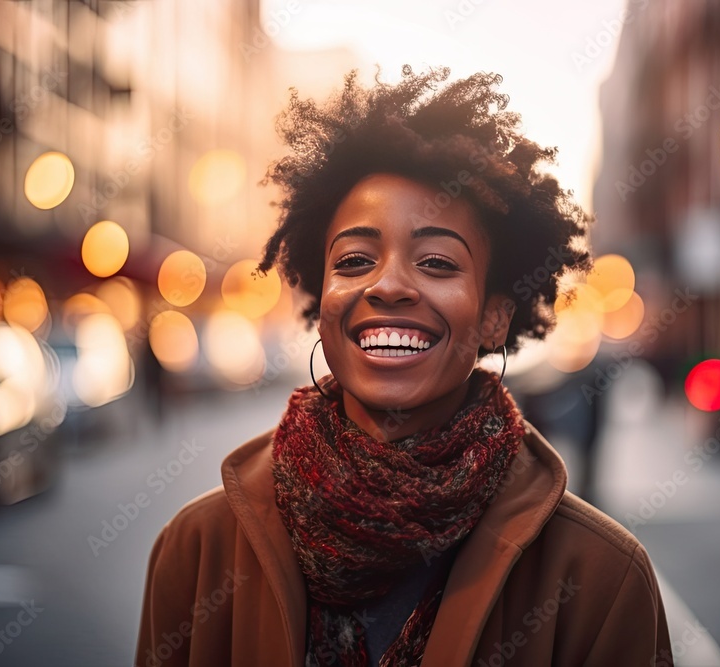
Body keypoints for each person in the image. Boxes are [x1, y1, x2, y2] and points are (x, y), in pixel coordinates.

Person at [135, 66, 671, 667]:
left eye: (438, 263)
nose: (387, 285)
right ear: (322, 302)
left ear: (495, 316)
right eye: (356, 259)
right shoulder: (198, 550)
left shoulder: (601, 576)